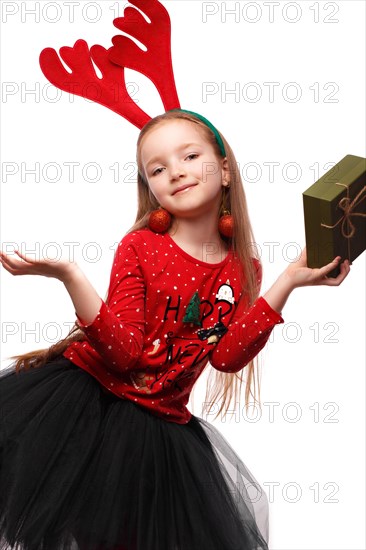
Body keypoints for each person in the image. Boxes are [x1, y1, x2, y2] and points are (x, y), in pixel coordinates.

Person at [0, 110, 350, 550]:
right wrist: (71, 275)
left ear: (224, 170)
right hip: (88, 412)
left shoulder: (243, 267)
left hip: (163, 431)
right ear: (150, 188)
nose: (176, 172)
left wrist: (287, 282)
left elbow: (224, 357)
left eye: (188, 155)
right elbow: (124, 355)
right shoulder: (141, 246)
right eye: (158, 169)